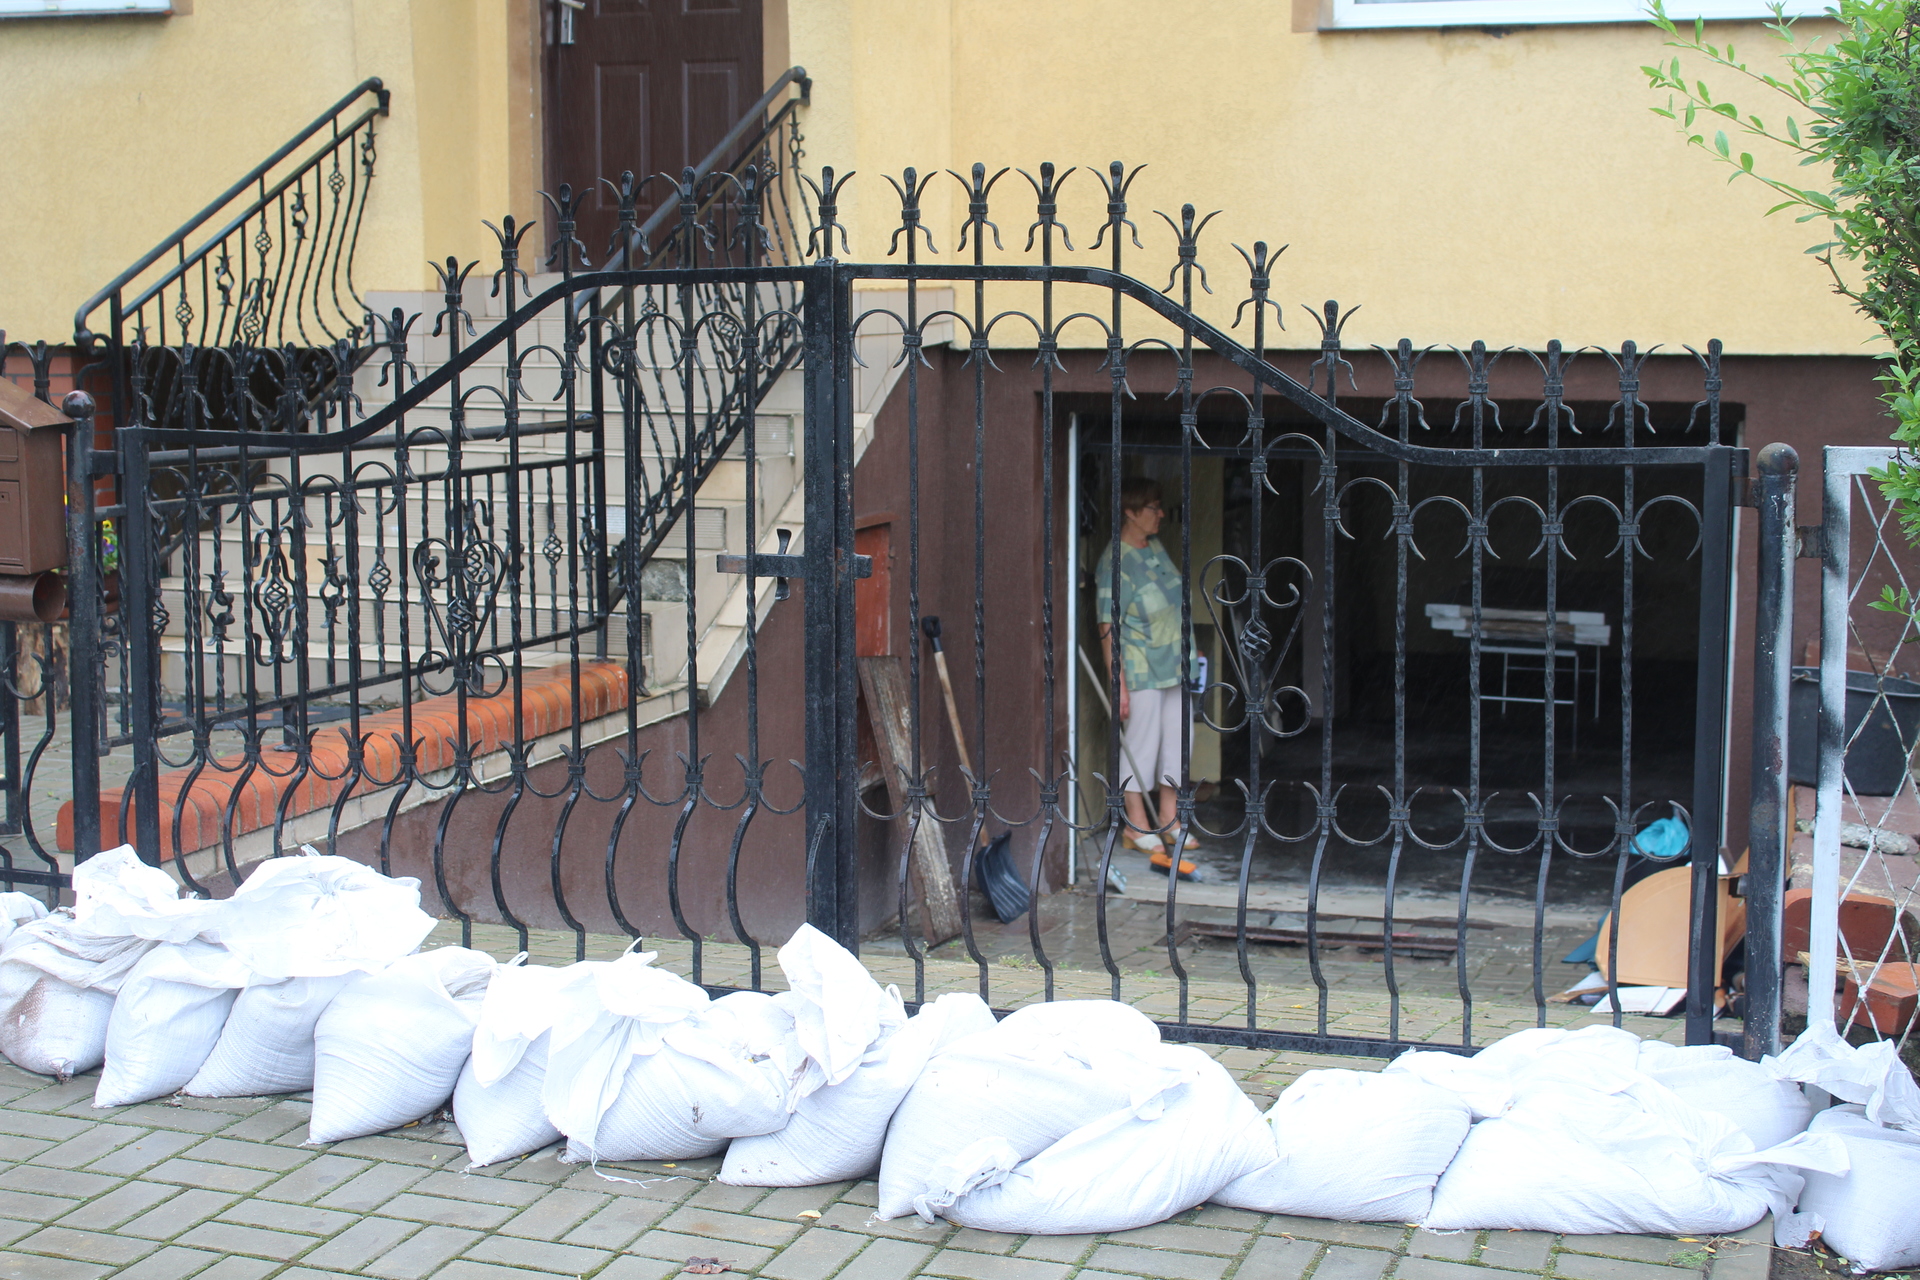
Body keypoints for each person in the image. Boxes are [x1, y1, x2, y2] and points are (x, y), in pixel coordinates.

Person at [1095, 475, 1200, 877]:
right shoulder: (1114, 561)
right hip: (1139, 667)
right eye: (1153, 508)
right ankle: (1135, 824)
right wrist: (1116, 679)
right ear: (1130, 512)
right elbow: (1108, 627)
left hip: (1174, 661)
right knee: (1140, 744)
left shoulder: (1154, 547)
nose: (1160, 514)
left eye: (1160, 506)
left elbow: (1174, 599)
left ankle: (1170, 819)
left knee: (1178, 739)